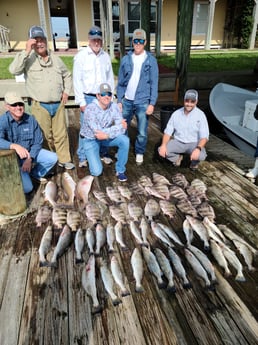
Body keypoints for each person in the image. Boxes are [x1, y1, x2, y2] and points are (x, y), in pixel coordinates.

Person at [9, 25, 74, 170]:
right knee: (43, 136)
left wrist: (66, 91)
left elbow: (67, 75)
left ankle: (64, 159)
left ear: (46, 40)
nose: (39, 43)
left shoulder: (55, 59)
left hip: (58, 104)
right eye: (35, 40)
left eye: (42, 39)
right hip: (40, 105)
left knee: (61, 134)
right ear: (30, 42)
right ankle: (50, 161)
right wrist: (26, 50)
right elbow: (13, 70)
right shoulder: (27, 58)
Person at [73, 25, 115, 167]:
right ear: (89, 40)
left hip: (104, 97)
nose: (96, 42)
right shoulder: (81, 56)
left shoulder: (105, 56)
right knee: (86, 128)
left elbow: (110, 79)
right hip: (88, 97)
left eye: (99, 40)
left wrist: (111, 98)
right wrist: (81, 101)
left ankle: (104, 152)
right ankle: (82, 156)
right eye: (93, 40)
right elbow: (77, 80)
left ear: (102, 40)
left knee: (105, 126)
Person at [0, 92, 58, 194]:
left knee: (53, 158)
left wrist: (30, 158)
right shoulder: (3, 121)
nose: (18, 107)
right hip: (13, 161)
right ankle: (19, 175)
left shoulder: (31, 120)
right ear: (7, 107)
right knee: (28, 189)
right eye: (14, 105)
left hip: (29, 156)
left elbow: (37, 142)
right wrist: (14, 146)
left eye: (20, 104)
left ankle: (35, 174)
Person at [117, 28, 159, 165]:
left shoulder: (151, 60)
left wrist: (152, 103)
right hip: (127, 100)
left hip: (143, 101)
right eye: (136, 40)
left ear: (145, 42)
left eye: (141, 41)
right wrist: (119, 99)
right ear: (132, 42)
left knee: (142, 130)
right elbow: (121, 82)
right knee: (122, 127)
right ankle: (123, 148)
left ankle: (139, 152)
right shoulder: (125, 59)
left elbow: (154, 83)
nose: (138, 43)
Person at [79, 83, 129, 182]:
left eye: (109, 94)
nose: (106, 96)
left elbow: (123, 129)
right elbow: (98, 133)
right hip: (91, 140)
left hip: (105, 137)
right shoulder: (90, 109)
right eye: (103, 94)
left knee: (125, 140)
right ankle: (87, 153)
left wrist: (107, 134)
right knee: (96, 172)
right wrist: (116, 127)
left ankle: (120, 170)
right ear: (97, 95)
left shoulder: (114, 107)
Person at [158, 89, 209, 170]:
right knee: (161, 150)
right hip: (178, 142)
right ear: (184, 101)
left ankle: (194, 162)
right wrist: (163, 145)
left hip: (194, 143)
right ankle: (177, 159)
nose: (189, 104)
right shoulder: (176, 114)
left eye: (192, 101)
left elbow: (204, 137)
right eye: (187, 101)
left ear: (196, 102)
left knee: (201, 155)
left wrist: (198, 149)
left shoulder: (201, 115)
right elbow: (167, 132)